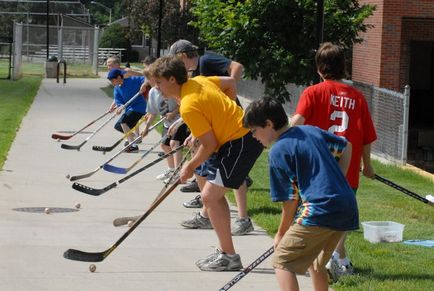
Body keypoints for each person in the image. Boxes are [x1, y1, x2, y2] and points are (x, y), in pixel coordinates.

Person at [149, 56, 263, 271]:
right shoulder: (199, 81)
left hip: (240, 143)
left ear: (172, 79)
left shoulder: (189, 105)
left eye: (159, 82)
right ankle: (227, 253)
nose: (157, 88)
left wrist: (189, 166)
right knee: (212, 196)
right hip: (234, 141)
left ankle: (229, 256)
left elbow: (208, 145)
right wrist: (227, 114)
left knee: (209, 196)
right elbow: (230, 83)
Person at [243, 97, 358, 291]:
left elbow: (289, 201)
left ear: (269, 124)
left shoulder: (278, 151)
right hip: (346, 206)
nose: (254, 136)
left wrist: (281, 233)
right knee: (316, 263)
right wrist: (339, 179)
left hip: (319, 210)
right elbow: (346, 147)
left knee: (282, 261)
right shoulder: (310, 131)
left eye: (254, 131)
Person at [291, 42, 377, 277]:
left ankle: (329, 260)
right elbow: (367, 137)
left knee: (317, 217)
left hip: (316, 172)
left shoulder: (312, 92)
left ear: (319, 68)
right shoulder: (358, 98)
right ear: (344, 67)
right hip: (347, 172)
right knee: (340, 219)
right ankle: (334, 260)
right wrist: (366, 165)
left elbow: (296, 122)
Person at [169, 39, 255, 236]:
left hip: (231, 124)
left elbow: (237, 68)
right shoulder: (195, 75)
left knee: (232, 173)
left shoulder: (206, 61)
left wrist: (229, 100)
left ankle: (242, 218)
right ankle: (206, 212)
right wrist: (194, 132)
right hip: (217, 124)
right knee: (204, 168)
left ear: (182, 56)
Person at [141, 62, 189, 182]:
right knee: (164, 145)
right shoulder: (153, 92)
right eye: (152, 82)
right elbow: (152, 112)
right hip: (167, 123)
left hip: (180, 120)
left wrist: (173, 113)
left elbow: (184, 103)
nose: (155, 85)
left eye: (157, 81)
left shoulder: (170, 88)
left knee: (174, 143)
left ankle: (178, 173)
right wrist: (147, 127)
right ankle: (172, 169)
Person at [107, 68, 147, 153]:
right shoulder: (117, 88)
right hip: (130, 109)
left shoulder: (132, 80)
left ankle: (133, 146)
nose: (112, 83)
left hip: (139, 107)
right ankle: (134, 138)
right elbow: (119, 102)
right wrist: (120, 107)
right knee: (118, 126)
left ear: (119, 77)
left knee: (123, 122)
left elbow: (146, 78)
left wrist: (144, 84)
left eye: (113, 80)